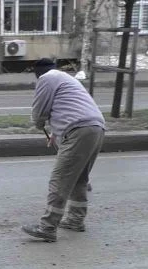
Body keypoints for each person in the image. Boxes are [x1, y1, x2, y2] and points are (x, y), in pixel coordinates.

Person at [21, 58, 106, 242]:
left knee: (59, 180)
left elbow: (39, 110)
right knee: (79, 178)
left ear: (38, 73)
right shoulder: (66, 78)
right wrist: (56, 132)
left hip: (79, 131)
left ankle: (48, 227)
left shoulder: (46, 78)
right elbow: (68, 108)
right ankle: (76, 219)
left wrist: (38, 123)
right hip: (96, 128)